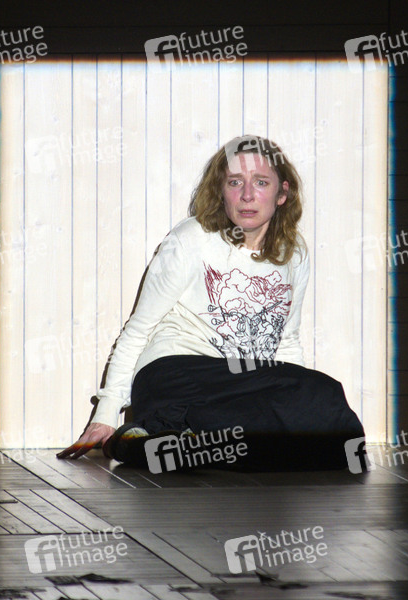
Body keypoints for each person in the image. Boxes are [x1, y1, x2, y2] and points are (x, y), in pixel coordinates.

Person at [57, 135, 364, 470]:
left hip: (244, 383)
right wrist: (106, 414)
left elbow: (286, 339)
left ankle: (153, 443)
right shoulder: (191, 239)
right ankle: (161, 435)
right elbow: (138, 329)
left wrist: (297, 396)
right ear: (221, 191)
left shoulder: (294, 252)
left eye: (261, 182)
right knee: (259, 429)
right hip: (178, 372)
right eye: (235, 182)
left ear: (282, 194)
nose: (247, 195)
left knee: (323, 396)